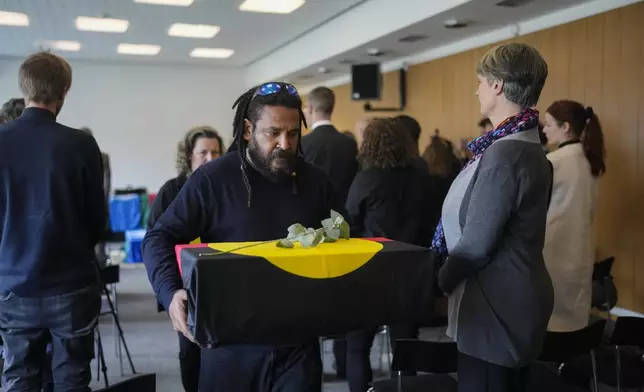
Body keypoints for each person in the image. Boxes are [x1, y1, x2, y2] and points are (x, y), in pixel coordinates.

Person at [143, 82, 343, 391]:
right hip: (229, 346)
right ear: (248, 130)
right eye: (272, 133)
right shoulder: (212, 179)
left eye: (292, 133)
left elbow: (346, 239)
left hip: (298, 346)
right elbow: (159, 237)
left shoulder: (315, 181)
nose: (285, 144)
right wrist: (171, 293)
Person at [432, 43, 554, 392]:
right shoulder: (528, 145)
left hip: (497, 303)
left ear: (498, 85)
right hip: (514, 294)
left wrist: (437, 282)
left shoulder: (505, 153)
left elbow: (475, 245)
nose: (477, 90)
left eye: (481, 82)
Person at [0, 52, 104, 391]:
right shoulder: (81, 144)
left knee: (18, 378)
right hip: (71, 285)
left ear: (23, 87)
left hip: (13, 285)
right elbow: (96, 221)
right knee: (72, 378)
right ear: (65, 90)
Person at [344, 117, 435, 392]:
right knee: (405, 347)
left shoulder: (366, 179)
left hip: (370, 270)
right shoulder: (421, 177)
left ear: (368, 145)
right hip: (411, 270)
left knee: (357, 346)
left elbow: (351, 222)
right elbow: (432, 222)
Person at [147, 125, 223, 392]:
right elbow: (154, 240)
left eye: (216, 152)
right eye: (203, 153)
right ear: (189, 156)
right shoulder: (171, 191)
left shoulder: (226, 187)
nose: (210, 159)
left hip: (222, 280)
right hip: (185, 283)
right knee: (190, 351)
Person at [300, 86, 358, 379]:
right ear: (332, 107)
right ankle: (344, 362)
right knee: (341, 294)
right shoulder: (348, 145)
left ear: (309, 109)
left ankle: (311, 364)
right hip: (340, 226)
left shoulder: (303, 143)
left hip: (309, 228)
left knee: (308, 295)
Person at [542, 100, 606, 332]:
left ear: (565, 126)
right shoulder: (592, 162)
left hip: (553, 249)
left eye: (549, 124)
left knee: (549, 319)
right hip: (581, 248)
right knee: (574, 320)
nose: (544, 129)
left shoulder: (553, 162)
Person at [301, 86, 358, 207]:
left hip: (313, 212)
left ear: (310, 108)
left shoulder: (302, 143)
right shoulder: (350, 143)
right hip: (343, 214)